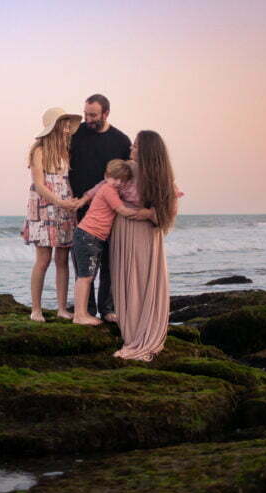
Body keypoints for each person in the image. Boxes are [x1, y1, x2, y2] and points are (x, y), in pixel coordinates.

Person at [110, 130, 180, 361]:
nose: (131, 149)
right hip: (124, 229)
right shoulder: (128, 170)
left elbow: (167, 213)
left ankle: (140, 335)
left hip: (145, 233)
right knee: (127, 279)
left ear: (148, 150)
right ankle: (131, 330)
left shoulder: (159, 176)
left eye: (136, 146)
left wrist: (147, 213)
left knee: (141, 279)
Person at [69, 94, 131, 322]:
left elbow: (129, 176)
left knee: (110, 262)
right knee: (84, 265)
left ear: (106, 113)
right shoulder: (77, 134)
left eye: (93, 115)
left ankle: (108, 310)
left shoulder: (121, 141)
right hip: (81, 207)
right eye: (85, 113)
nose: (87, 119)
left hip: (110, 210)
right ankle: (85, 311)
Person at [21, 107, 82, 322]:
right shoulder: (39, 150)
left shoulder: (68, 150)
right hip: (43, 207)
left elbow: (68, 181)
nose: (67, 127)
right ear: (53, 126)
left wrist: (72, 202)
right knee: (43, 259)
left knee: (63, 259)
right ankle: (35, 310)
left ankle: (62, 308)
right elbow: (39, 184)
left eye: (67, 123)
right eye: (63, 123)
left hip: (65, 207)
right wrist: (60, 202)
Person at [72, 160, 140, 326]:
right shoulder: (108, 190)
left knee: (88, 276)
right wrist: (146, 214)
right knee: (85, 277)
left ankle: (84, 313)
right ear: (106, 177)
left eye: (121, 180)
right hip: (87, 236)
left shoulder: (110, 189)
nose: (117, 182)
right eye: (114, 178)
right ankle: (79, 315)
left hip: (92, 237)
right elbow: (121, 210)